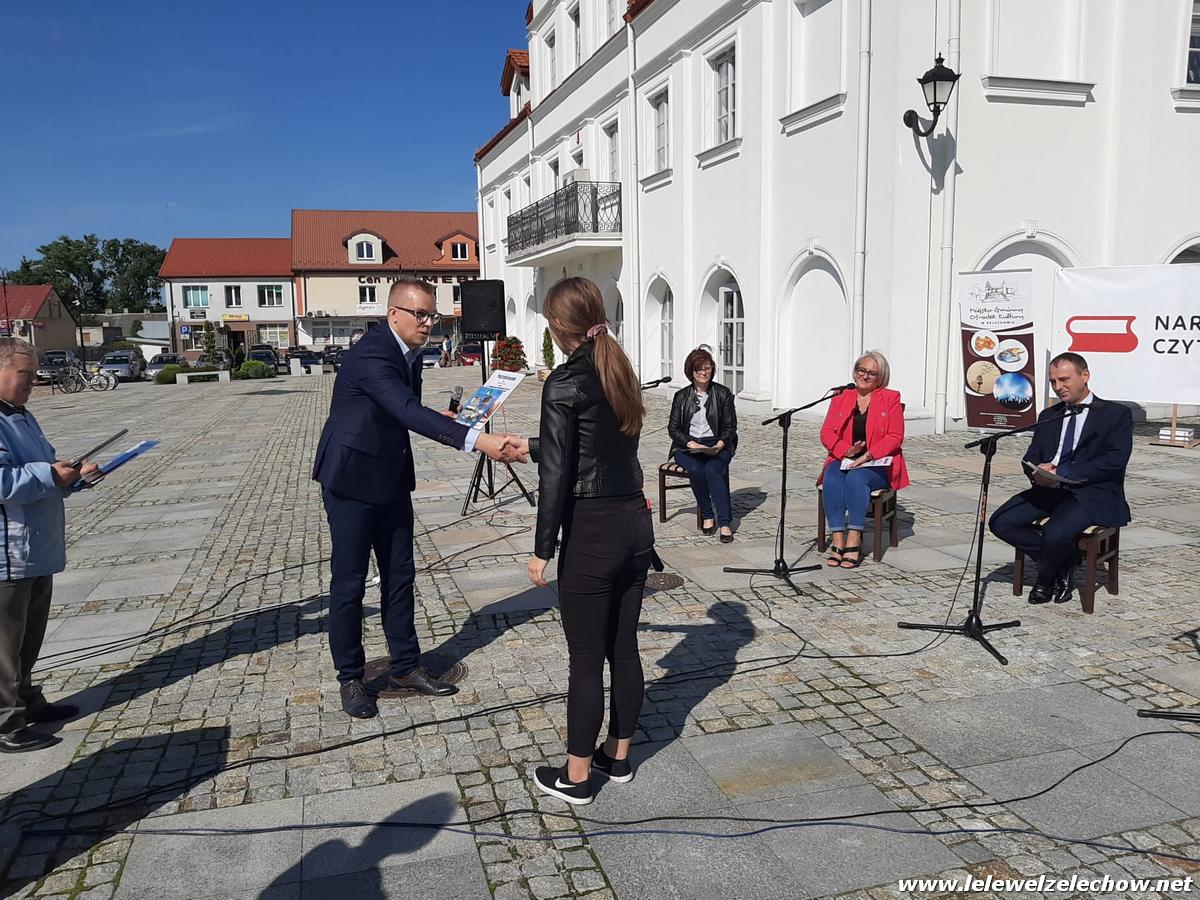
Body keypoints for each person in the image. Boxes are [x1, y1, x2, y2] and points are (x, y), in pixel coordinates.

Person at [312, 277, 523, 719]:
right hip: (351, 482)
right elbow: (406, 409)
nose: (429, 323)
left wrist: (442, 418)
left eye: (433, 315)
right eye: (421, 314)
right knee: (349, 584)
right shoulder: (373, 353)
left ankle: (405, 667)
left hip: (390, 478)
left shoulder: (409, 352)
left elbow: (401, 410)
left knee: (400, 577)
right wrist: (479, 441)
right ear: (394, 314)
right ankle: (350, 678)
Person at [509, 277, 653, 805]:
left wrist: (541, 548)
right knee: (624, 649)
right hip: (634, 521)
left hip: (592, 532)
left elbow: (557, 475)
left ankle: (575, 777)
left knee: (586, 659)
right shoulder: (619, 368)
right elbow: (595, 444)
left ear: (556, 325)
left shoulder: (565, 381)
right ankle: (618, 756)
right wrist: (531, 445)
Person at [0, 338, 102, 753]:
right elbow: (4, 481)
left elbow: (45, 473)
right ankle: (6, 722)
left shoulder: (23, 417)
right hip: (7, 554)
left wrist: (73, 477)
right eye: (24, 374)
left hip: (36, 550)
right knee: (4, 645)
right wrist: (50, 475)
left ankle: (26, 699)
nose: (32, 382)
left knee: (28, 637)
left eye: (33, 374)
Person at [990, 352, 1131, 605]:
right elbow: (1031, 455)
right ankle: (1065, 561)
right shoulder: (1050, 415)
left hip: (1090, 493)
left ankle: (1045, 579)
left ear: (1084, 376)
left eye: (1064, 380)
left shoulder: (1115, 414)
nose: (1058, 387)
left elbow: (1114, 460)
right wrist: (1036, 473)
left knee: (1055, 532)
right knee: (1000, 522)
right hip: (1050, 488)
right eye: (1053, 381)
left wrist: (1065, 472)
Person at [818, 351, 909, 568]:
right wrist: (847, 451)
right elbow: (826, 433)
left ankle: (854, 537)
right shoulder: (841, 396)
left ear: (881, 378)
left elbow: (895, 436)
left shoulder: (890, 398)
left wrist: (868, 455)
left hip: (878, 462)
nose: (865, 376)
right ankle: (838, 538)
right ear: (855, 371)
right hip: (846, 457)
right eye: (861, 370)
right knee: (832, 476)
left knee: (856, 478)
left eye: (872, 373)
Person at [667, 347, 739, 542]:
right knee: (696, 469)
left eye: (707, 368)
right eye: (698, 369)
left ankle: (724, 522)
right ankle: (707, 514)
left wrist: (720, 444)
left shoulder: (722, 393)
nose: (703, 372)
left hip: (717, 444)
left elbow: (730, 426)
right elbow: (673, 429)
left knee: (713, 470)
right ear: (691, 371)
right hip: (688, 446)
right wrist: (689, 443)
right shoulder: (681, 396)